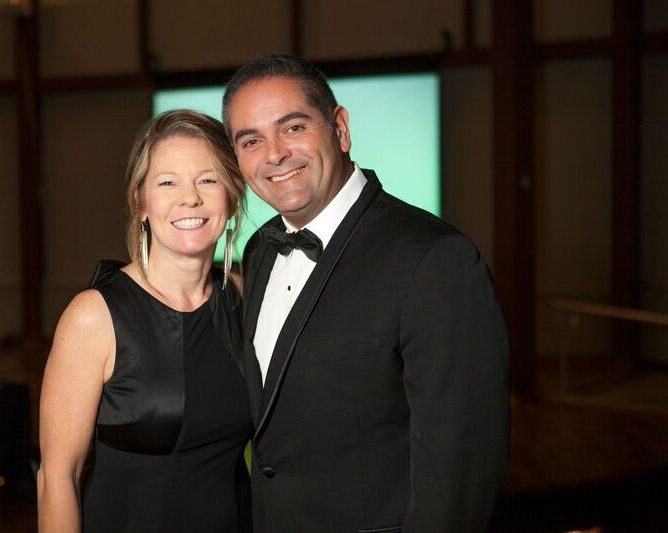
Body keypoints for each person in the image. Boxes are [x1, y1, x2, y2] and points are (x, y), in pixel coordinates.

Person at [223, 55, 510, 533]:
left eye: (293, 128)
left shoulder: (436, 260)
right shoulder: (259, 251)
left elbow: (462, 470)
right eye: (251, 140)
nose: (273, 154)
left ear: (340, 127)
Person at [37, 110, 252, 533]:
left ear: (232, 197)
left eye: (207, 180)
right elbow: (57, 477)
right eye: (167, 182)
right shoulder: (93, 316)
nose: (189, 198)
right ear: (141, 203)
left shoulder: (245, 299)